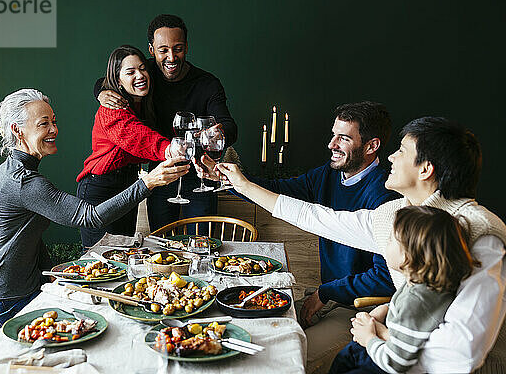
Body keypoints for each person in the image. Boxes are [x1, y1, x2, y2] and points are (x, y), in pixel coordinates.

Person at [217, 117, 506, 373]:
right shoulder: (397, 215)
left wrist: (380, 336)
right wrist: (241, 185)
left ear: (425, 169)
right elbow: (317, 217)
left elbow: (461, 356)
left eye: (402, 151)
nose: (391, 157)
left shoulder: (481, 233)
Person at [0, 89, 187, 340]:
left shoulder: (10, 171)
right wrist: (148, 183)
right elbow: (91, 217)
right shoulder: (23, 182)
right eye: (43, 123)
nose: (53, 129)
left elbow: (26, 237)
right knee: (99, 330)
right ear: (18, 130)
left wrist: (54, 277)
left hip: (13, 294)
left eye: (53, 121)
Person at [197, 102, 399, 329]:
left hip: (361, 311)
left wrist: (325, 293)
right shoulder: (328, 174)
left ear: (372, 146)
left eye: (343, 138)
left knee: (293, 352)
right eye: (334, 135)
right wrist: (228, 180)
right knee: (257, 324)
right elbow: (278, 190)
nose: (331, 144)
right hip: (329, 298)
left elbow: (385, 278)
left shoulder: (385, 197)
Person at [94, 14, 238, 232]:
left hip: (199, 175)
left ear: (186, 47)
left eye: (178, 48)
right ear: (152, 50)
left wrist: (219, 133)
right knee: (162, 243)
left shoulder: (207, 84)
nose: (171, 57)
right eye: (163, 50)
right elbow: (111, 79)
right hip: (162, 173)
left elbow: (229, 126)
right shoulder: (146, 73)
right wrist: (102, 92)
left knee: (202, 243)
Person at [329, 205, 478, 373]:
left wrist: (368, 337)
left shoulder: (417, 300)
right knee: (347, 355)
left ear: (408, 256)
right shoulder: (426, 285)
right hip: (384, 341)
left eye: (392, 239)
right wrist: (385, 309)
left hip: (386, 362)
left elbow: (395, 361)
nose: (387, 243)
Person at [76, 45, 175, 248]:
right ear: (118, 81)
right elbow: (139, 138)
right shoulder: (112, 108)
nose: (140, 75)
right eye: (130, 72)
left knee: (124, 256)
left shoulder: (142, 104)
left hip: (128, 186)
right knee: (100, 260)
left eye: (143, 68)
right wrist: (170, 149)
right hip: (100, 189)